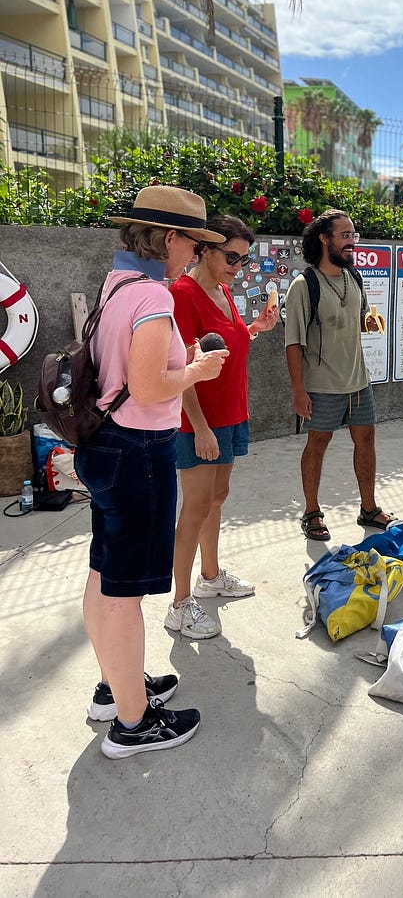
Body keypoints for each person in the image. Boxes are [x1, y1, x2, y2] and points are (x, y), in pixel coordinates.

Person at [75, 184, 228, 758]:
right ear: (169, 238)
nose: (195, 255)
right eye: (194, 242)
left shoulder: (117, 287)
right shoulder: (156, 299)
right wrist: (196, 371)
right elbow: (146, 387)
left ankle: (116, 690)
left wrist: (180, 367)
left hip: (106, 446)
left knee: (103, 573)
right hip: (138, 450)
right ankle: (133, 724)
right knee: (123, 592)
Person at [165, 214, 279, 639]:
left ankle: (210, 577)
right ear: (205, 249)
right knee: (194, 507)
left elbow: (223, 344)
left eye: (243, 259)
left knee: (216, 498)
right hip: (199, 422)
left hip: (231, 413)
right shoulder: (183, 294)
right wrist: (201, 427)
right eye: (231, 256)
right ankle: (178, 604)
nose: (238, 265)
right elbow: (182, 366)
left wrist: (254, 328)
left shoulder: (224, 292)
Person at [283, 208, 394, 541]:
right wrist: (298, 392)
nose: (351, 243)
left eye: (353, 236)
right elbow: (293, 344)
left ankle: (369, 509)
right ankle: (312, 511)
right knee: (318, 444)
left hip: (358, 381)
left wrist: (367, 323)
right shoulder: (305, 285)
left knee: (367, 441)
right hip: (321, 385)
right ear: (324, 239)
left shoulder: (354, 277)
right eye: (345, 236)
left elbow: (356, 319)